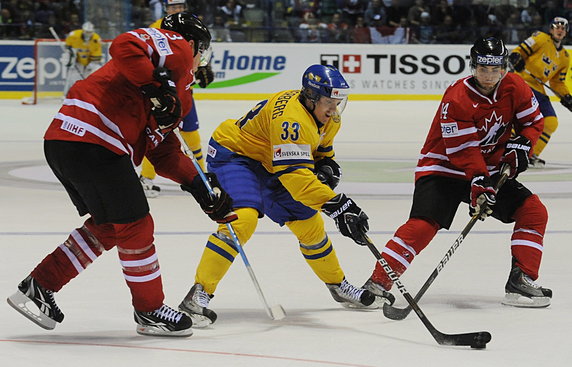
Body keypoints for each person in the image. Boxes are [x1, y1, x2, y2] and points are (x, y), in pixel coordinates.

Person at [7, 12, 236, 337]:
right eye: (204, 51)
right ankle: (150, 310)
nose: (202, 60)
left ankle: (39, 286)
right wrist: (157, 86)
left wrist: (200, 186)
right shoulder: (178, 48)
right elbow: (125, 45)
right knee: (137, 225)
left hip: (69, 140)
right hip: (93, 138)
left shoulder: (182, 96)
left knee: (111, 228)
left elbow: (162, 150)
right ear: (196, 44)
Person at [177, 64, 394, 327]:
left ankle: (338, 285)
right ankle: (198, 294)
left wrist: (327, 167)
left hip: (273, 164)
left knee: (311, 225)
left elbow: (322, 153)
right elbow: (295, 178)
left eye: (338, 101)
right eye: (329, 101)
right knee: (241, 220)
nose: (334, 109)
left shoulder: (328, 118)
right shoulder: (292, 119)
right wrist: (336, 205)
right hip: (236, 156)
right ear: (311, 97)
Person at [361, 37, 552, 309]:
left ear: (504, 68)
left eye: (495, 69)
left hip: (487, 167)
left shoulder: (516, 87)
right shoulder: (457, 98)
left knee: (533, 212)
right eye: (482, 69)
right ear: (473, 67)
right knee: (424, 224)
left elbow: (533, 122)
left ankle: (520, 281)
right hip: (444, 167)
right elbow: (463, 150)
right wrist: (479, 184)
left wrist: (521, 145)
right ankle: (377, 284)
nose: (488, 76)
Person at [140, 0, 215, 198]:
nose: (177, 9)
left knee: (192, 134)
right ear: (166, 9)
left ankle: (200, 177)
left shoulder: (193, 23)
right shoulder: (156, 27)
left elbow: (203, 50)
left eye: (180, 6)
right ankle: (146, 178)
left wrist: (204, 67)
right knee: (156, 135)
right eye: (173, 7)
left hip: (184, 89)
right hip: (164, 90)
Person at [508, 16, 572, 167]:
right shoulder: (541, 38)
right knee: (516, 119)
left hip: (538, 88)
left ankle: (529, 154)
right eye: (557, 26)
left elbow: (557, 82)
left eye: (563, 28)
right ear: (551, 29)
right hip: (522, 82)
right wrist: (517, 57)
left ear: (566, 32)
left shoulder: (565, 57)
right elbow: (519, 52)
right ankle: (505, 148)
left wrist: (566, 96)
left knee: (551, 122)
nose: (560, 30)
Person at [62, 21, 103, 96]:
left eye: (90, 32)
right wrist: (70, 56)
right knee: (73, 79)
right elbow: (67, 48)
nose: (88, 34)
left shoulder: (96, 39)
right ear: (83, 30)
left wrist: (91, 65)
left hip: (90, 62)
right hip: (77, 61)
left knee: (97, 73)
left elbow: (97, 56)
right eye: (87, 32)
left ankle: (94, 94)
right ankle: (71, 95)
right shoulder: (73, 35)